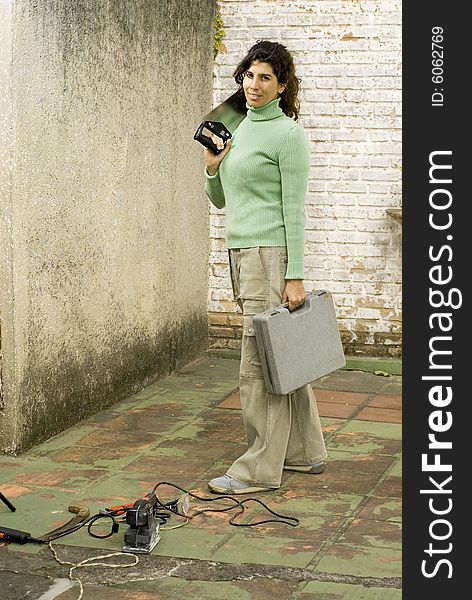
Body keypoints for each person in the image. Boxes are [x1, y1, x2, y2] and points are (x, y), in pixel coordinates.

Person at [203, 40, 327, 494]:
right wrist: (213, 167)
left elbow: (294, 210)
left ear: (282, 85)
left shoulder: (287, 134)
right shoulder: (236, 129)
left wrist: (294, 275)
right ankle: (304, 453)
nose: (254, 85)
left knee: (258, 365)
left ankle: (257, 470)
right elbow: (220, 200)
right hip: (242, 254)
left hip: (271, 256)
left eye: (265, 78)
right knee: (283, 355)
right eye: (249, 75)